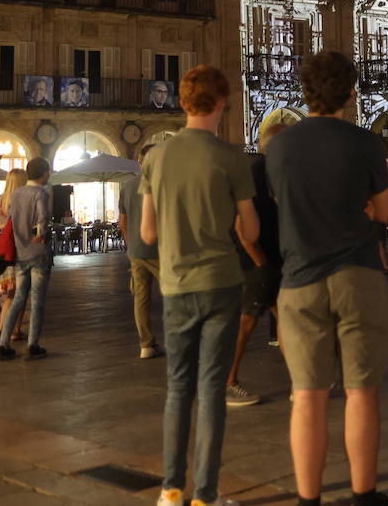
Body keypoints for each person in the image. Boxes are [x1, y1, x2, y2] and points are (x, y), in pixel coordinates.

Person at [265, 51, 388, 506]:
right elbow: (384, 212)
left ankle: (309, 499)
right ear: (350, 91)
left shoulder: (280, 146)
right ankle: (364, 495)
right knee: (361, 390)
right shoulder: (365, 143)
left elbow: (283, 201)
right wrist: (361, 206)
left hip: (300, 278)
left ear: (305, 93)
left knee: (307, 395)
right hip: (358, 274)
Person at [140, 66, 259, 506]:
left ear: (182, 102)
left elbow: (148, 234)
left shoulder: (155, 158)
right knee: (211, 391)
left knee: (178, 388)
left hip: (175, 284)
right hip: (222, 283)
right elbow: (250, 225)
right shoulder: (231, 157)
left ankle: (171, 490)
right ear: (223, 103)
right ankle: (206, 495)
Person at [225, 123, 287, 406]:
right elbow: (241, 227)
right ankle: (228, 381)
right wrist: (262, 264)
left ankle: (304, 380)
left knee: (285, 319)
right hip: (255, 262)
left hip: (269, 260)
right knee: (247, 322)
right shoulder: (256, 175)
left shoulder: (271, 173)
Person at [0, 157, 54, 360]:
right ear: (44, 173)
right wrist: (41, 233)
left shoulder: (17, 193)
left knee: (19, 297)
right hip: (38, 253)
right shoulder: (41, 193)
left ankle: (3, 344)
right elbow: (42, 219)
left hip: (20, 253)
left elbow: (12, 217)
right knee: (37, 300)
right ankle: (33, 344)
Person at [119, 144, 163, 360]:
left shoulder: (126, 187)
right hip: (160, 249)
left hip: (136, 250)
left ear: (138, 162)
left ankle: (146, 344)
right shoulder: (162, 185)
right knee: (175, 295)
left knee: (141, 299)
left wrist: (130, 244)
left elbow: (122, 222)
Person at [0, 169, 28, 340]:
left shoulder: (0, 199)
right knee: (21, 292)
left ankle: (0, 328)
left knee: (10, 294)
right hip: (19, 246)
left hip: (4, 246)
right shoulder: (23, 198)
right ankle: (15, 330)